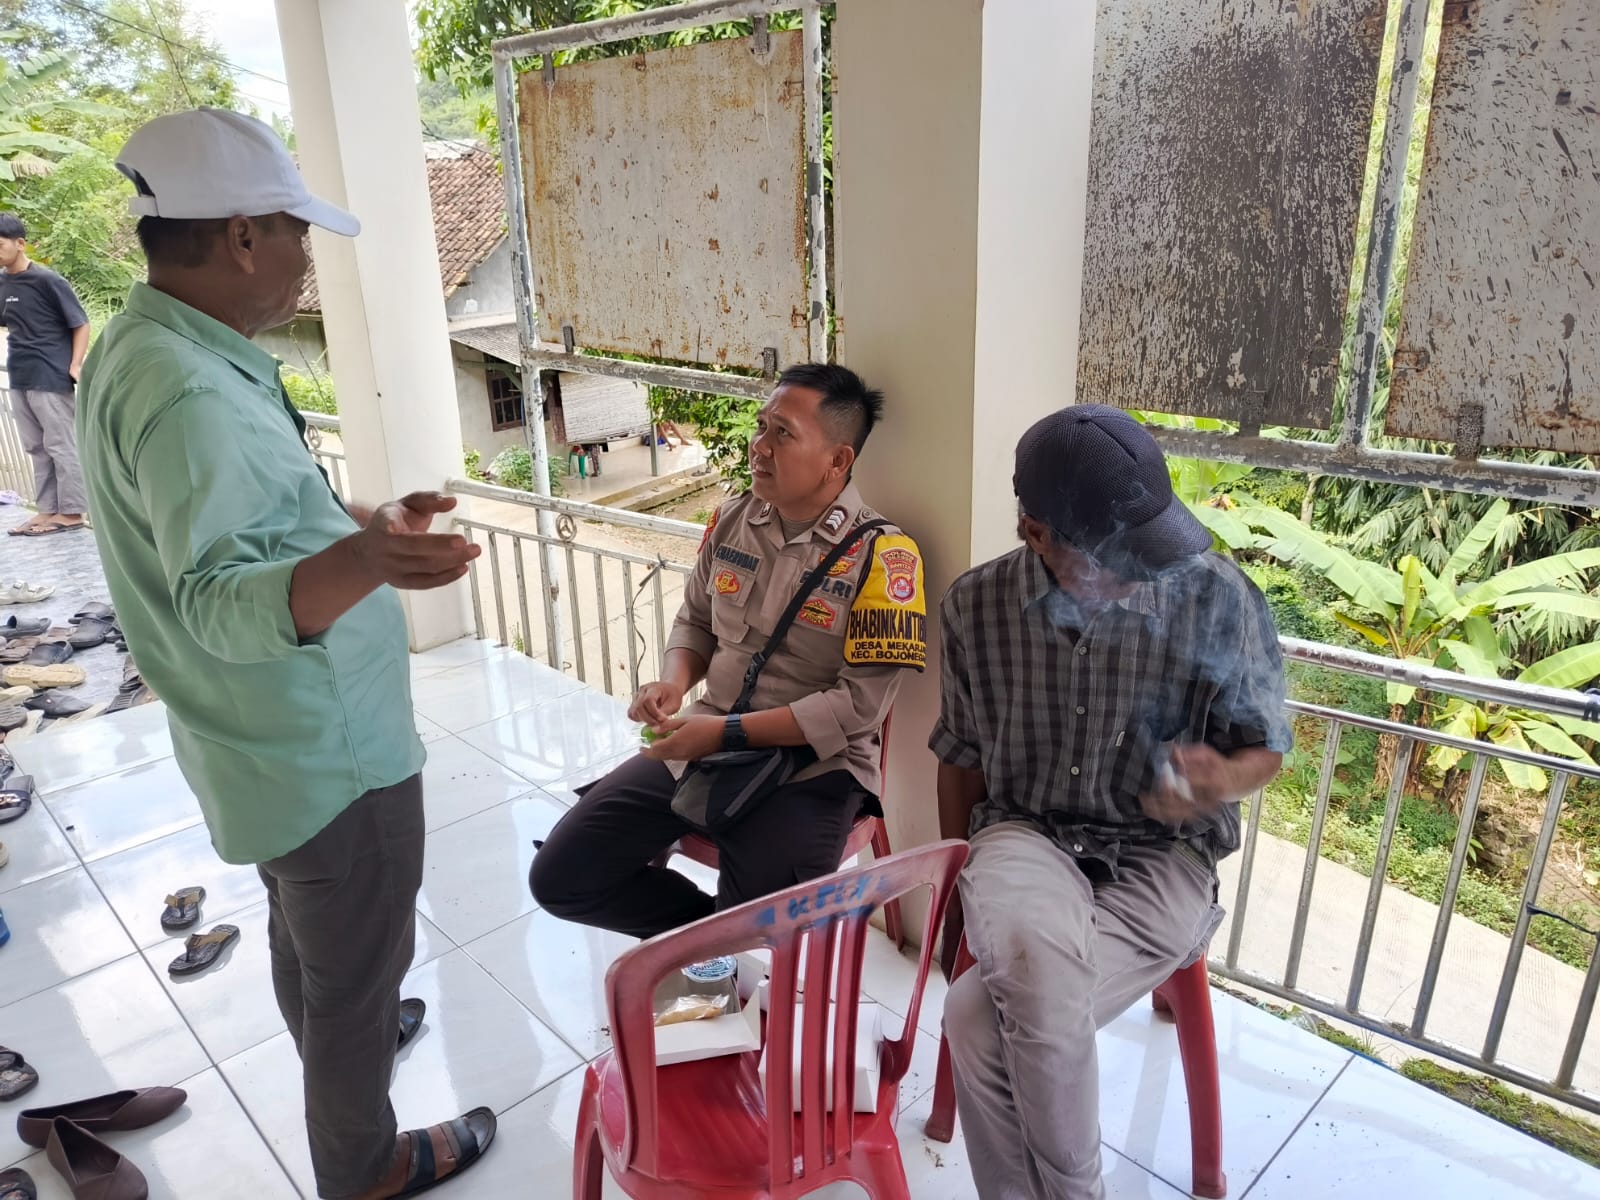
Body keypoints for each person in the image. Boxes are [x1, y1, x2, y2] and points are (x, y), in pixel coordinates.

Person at [76, 109, 494, 1200]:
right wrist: (367, 559)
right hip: (323, 755)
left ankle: (339, 1053)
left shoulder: (144, 346)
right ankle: (364, 1161)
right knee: (357, 969)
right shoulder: (188, 391)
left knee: (310, 940)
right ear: (244, 235)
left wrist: (358, 527)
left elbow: (254, 525)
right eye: (298, 233)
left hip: (257, 746)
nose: (307, 258)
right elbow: (219, 601)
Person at [931, 405, 1291, 1200]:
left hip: (1163, 856)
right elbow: (959, 759)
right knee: (1029, 983)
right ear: (1036, 533)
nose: (1149, 569)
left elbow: (1265, 746)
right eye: (1122, 554)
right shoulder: (974, 608)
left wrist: (1222, 779)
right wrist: (957, 898)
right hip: (1025, 832)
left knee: (976, 1019)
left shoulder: (1220, 599)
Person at [530, 363, 926, 937]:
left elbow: (857, 709)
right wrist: (672, 683)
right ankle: (703, 939)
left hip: (811, 768)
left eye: (782, 433)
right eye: (762, 426)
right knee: (562, 877)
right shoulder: (734, 518)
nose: (759, 446)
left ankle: (725, 944)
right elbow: (695, 621)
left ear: (837, 460)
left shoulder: (886, 558)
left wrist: (721, 734)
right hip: (704, 736)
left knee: (762, 927)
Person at [0, 213, 90, 537]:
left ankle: (72, 513)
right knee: (36, 447)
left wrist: (75, 365)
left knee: (61, 445)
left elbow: (80, 323)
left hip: (50, 373)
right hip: (19, 373)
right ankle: (47, 510)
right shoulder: (2, 282)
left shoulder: (48, 281)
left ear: (20, 243)